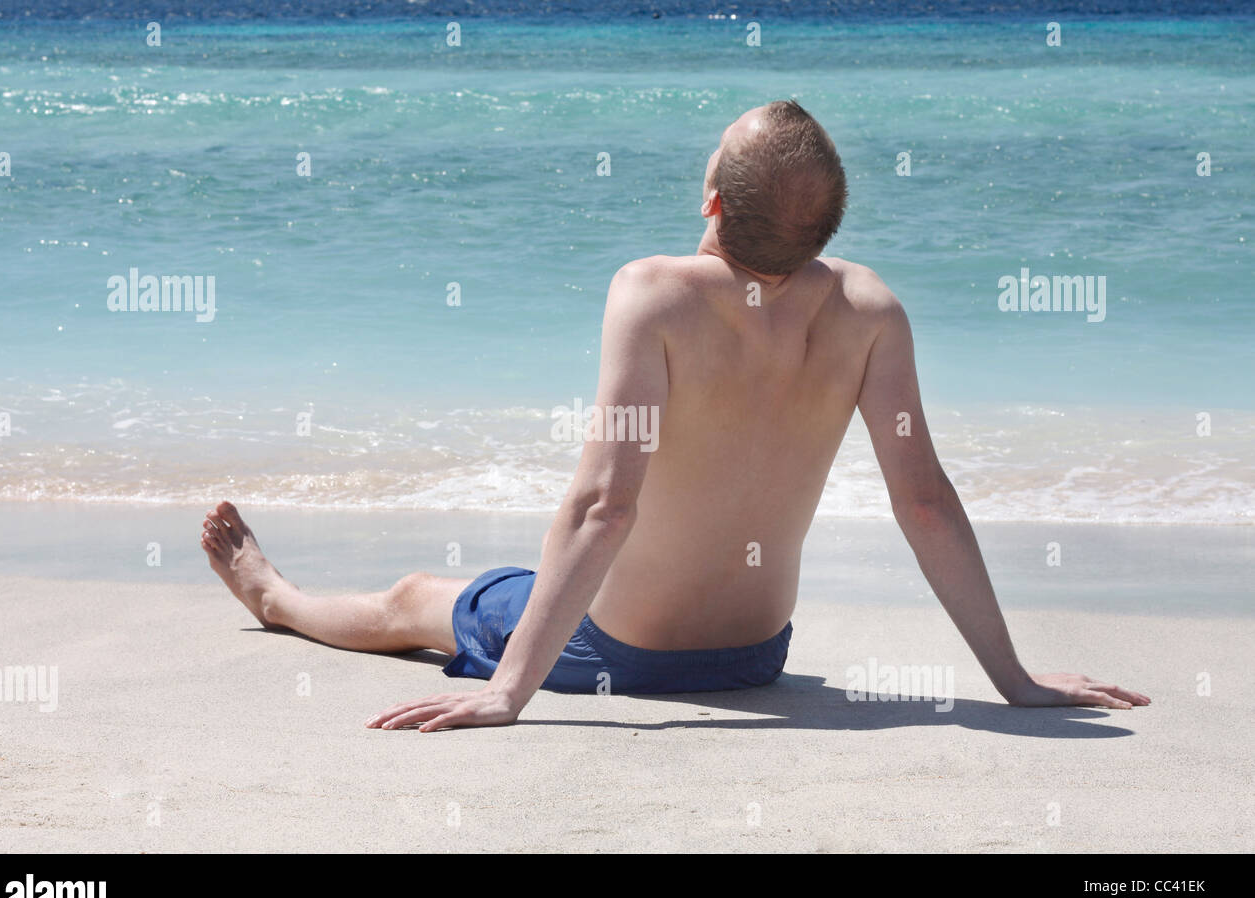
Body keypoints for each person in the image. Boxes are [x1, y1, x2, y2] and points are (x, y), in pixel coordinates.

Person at [202, 100, 1149, 731]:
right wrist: (1013, 681)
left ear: (710, 199)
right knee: (524, 580)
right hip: (756, 656)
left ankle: (274, 597)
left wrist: (507, 694)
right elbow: (926, 503)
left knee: (419, 596)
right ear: (826, 230)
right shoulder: (871, 311)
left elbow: (603, 507)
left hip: (618, 652)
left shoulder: (652, 293)